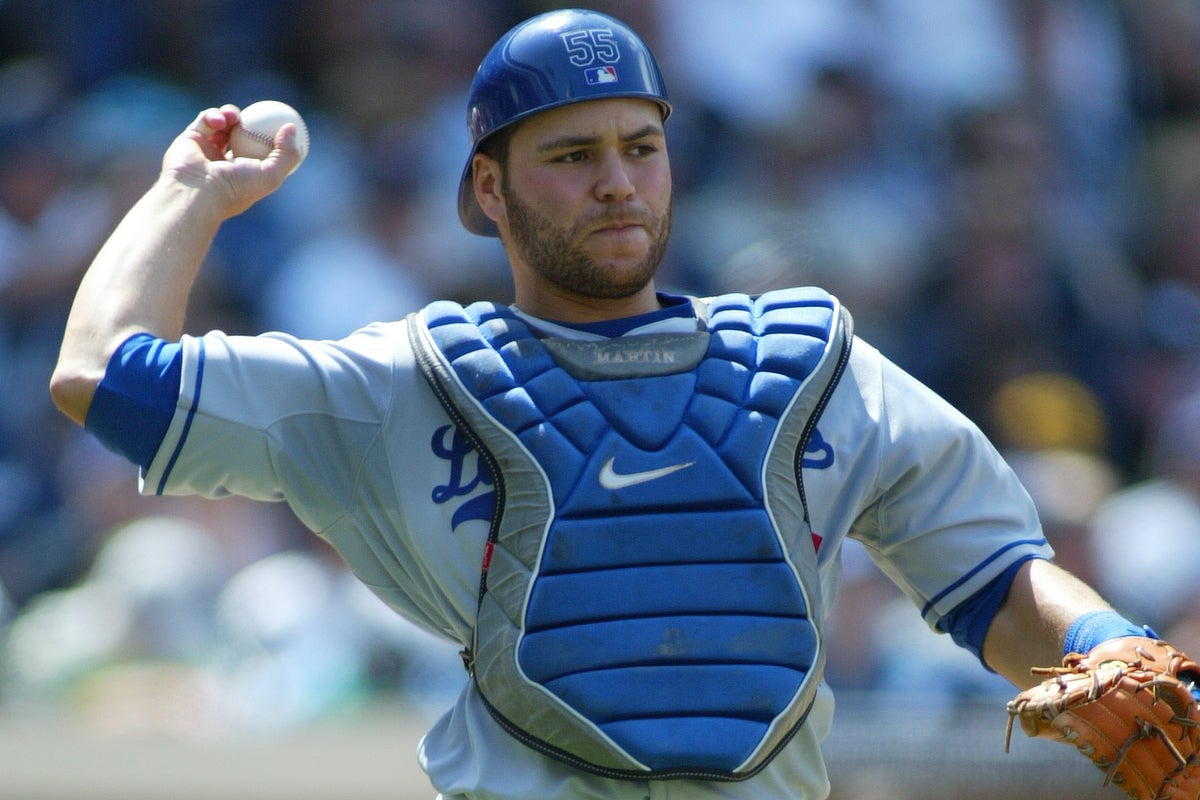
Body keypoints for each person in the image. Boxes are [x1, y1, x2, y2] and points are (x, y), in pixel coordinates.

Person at [49, 9, 1195, 800]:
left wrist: (1111, 643)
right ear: (487, 188)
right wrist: (188, 194)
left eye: (641, 146)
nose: (615, 179)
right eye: (572, 153)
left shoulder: (805, 365)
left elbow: (992, 575)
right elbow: (102, 375)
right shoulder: (403, 377)